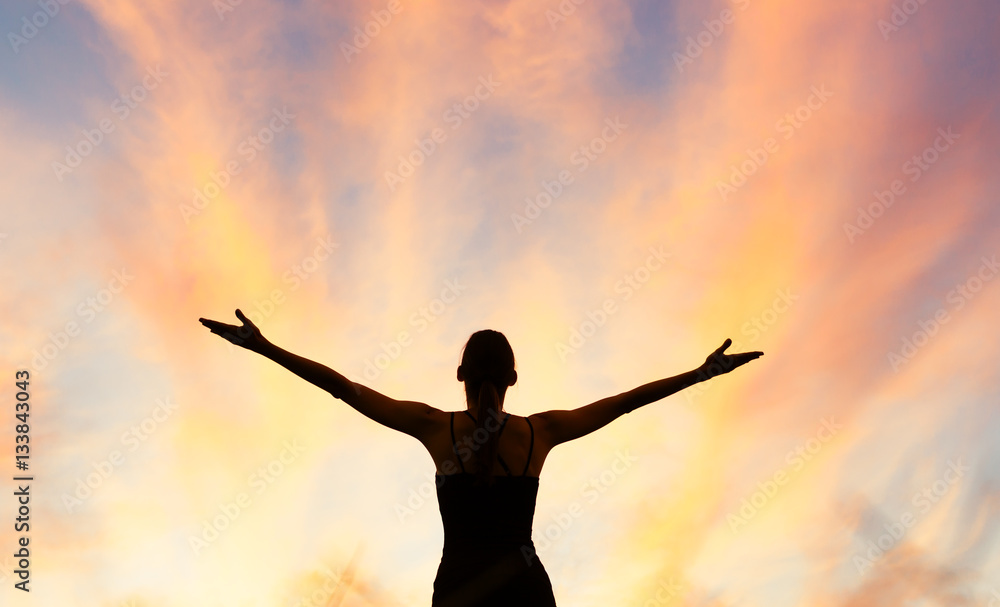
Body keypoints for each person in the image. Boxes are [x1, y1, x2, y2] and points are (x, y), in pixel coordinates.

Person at [199, 309, 763, 606]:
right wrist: (700, 372)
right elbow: (622, 403)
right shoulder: (540, 433)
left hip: (463, 587)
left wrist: (265, 347)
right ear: (514, 379)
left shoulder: (434, 427)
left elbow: (342, 388)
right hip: (522, 586)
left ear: (461, 374)